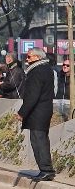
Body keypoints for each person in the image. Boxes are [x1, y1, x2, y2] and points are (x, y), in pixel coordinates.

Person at [16, 47, 56, 181]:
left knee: (39, 141)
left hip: (38, 111)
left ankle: (46, 170)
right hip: (43, 110)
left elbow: (33, 95)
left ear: (38, 57)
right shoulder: (45, 69)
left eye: (29, 57)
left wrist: (22, 112)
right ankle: (45, 169)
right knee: (40, 139)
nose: (27, 59)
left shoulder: (37, 71)